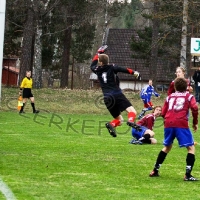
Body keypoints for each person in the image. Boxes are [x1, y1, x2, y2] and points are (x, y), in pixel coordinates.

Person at [149, 77, 198, 181]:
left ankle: (155, 170)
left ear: (175, 87)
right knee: (191, 148)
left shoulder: (169, 97)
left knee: (167, 147)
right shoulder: (189, 96)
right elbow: (195, 108)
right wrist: (195, 123)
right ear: (187, 87)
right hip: (181, 123)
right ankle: (188, 175)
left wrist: (167, 119)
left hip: (169, 123)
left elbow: (163, 112)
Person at [90, 45, 141, 137]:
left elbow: (92, 65)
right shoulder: (112, 67)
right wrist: (134, 73)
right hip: (117, 94)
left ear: (100, 62)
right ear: (107, 61)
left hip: (106, 98)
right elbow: (124, 69)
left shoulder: (97, 70)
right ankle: (130, 121)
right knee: (132, 111)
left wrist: (98, 53)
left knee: (119, 120)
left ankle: (111, 124)